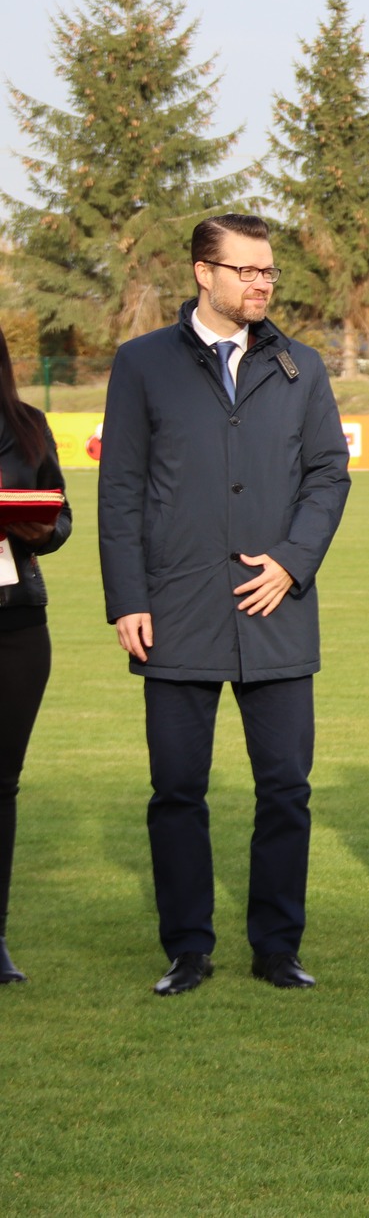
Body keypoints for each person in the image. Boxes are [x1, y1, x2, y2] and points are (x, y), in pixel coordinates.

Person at [99, 215, 350, 995]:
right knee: (177, 788)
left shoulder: (301, 367)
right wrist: (127, 597)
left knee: (285, 787)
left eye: (269, 271)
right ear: (203, 273)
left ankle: (277, 946)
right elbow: (120, 492)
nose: (262, 284)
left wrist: (293, 561)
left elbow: (329, 474)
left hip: (277, 611)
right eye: (246, 270)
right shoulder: (142, 365)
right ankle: (188, 948)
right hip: (174, 611)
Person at [0, 333, 71, 985]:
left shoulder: (28, 426)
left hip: (15, 625)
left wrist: (43, 528)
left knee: (1, 785)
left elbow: (62, 516)